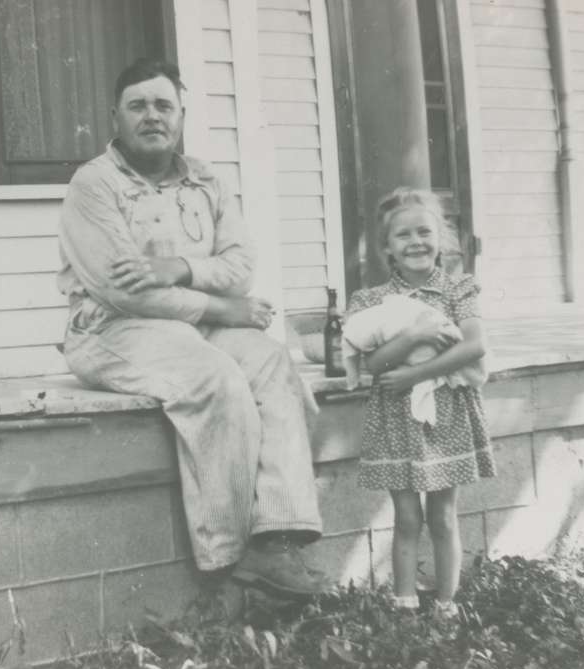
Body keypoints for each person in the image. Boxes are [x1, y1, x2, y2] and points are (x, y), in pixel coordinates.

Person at [56, 58, 327, 597]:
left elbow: (241, 266)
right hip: (112, 331)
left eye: (163, 105)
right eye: (137, 106)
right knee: (215, 378)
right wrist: (223, 309)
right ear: (115, 116)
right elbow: (123, 290)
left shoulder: (206, 180)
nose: (151, 116)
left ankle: (275, 539)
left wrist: (180, 268)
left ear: (181, 115)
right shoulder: (94, 184)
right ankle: (228, 560)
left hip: (187, 328)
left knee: (272, 362)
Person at [345, 187, 496, 618]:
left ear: (441, 238)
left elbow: (474, 346)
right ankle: (405, 607)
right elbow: (373, 361)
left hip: (446, 413)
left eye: (424, 232)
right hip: (394, 418)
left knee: (444, 516)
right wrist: (412, 337)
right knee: (407, 517)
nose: (415, 242)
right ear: (386, 247)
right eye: (403, 235)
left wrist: (415, 373)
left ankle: (447, 606)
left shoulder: (458, 289)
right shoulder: (370, 301)